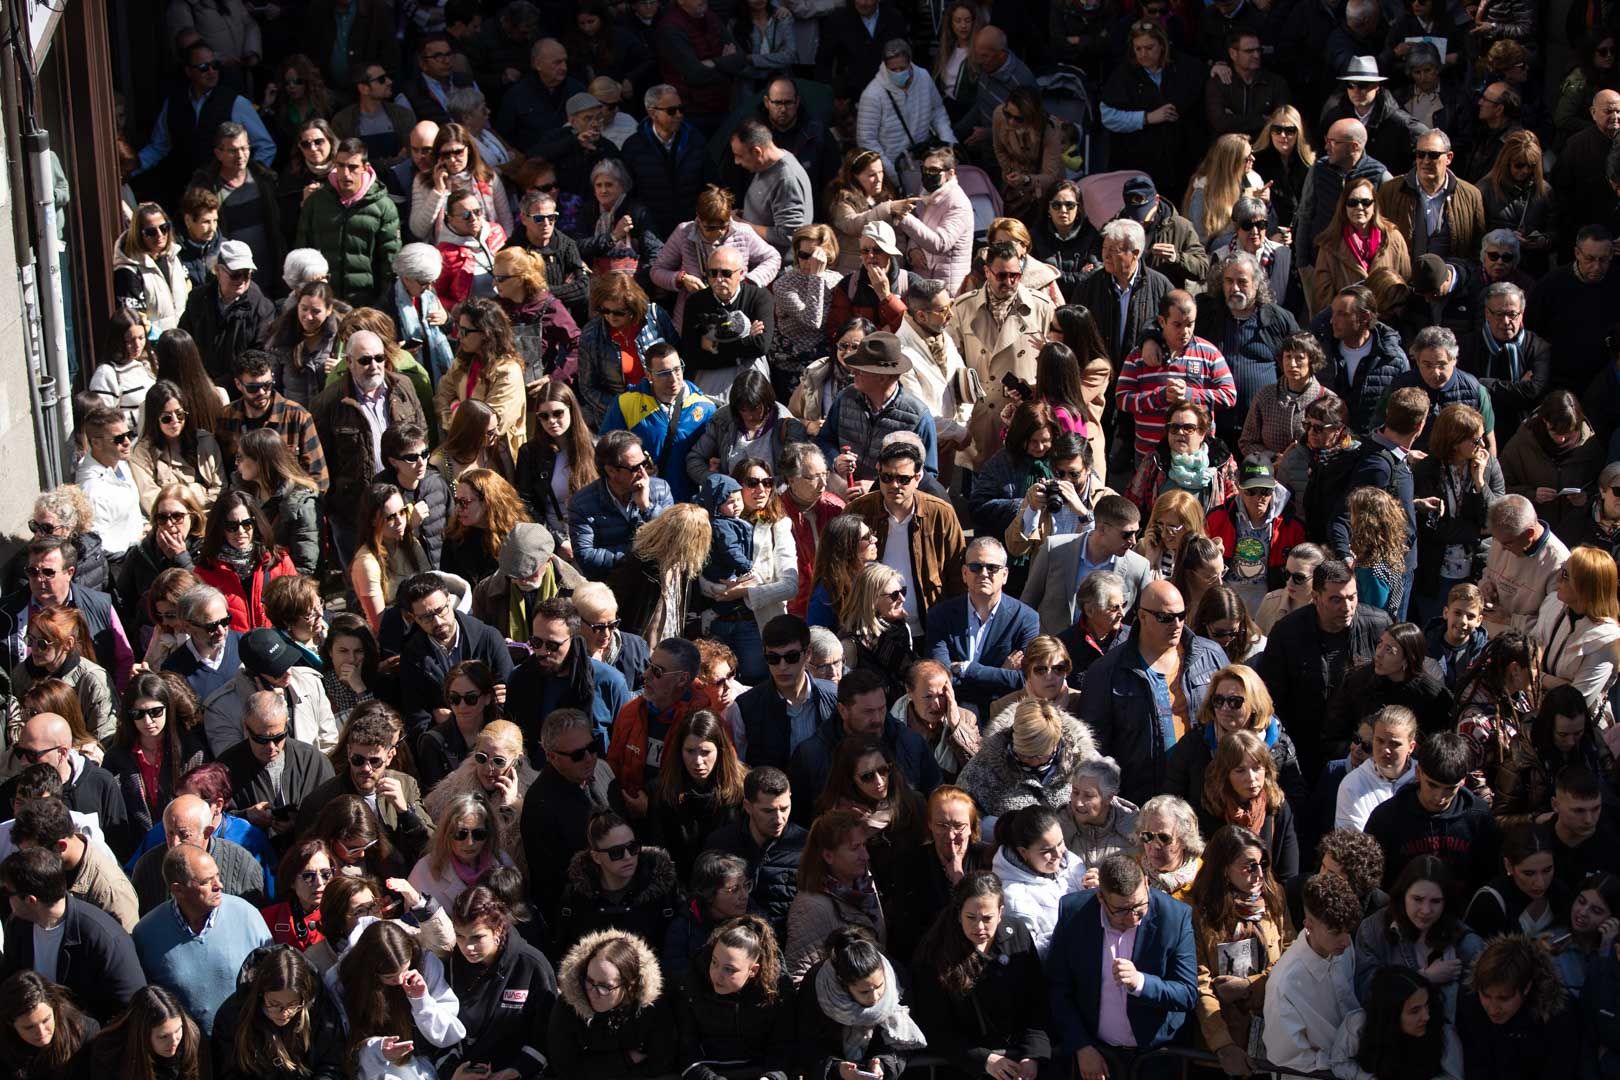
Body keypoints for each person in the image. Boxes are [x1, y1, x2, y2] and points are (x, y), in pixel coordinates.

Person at [1045, 853, 1198, 1080]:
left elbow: (1187, 993)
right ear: (1100, 898)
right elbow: (1057, 987)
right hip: (1097, 1056)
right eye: (1121, 911)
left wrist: (1142, 983)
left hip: (1156, 1058)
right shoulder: (1073, 913)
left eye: (1139, 906)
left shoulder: (1174, 916)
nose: (1133, 918)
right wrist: (1081, 1045)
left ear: (1146, 883)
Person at [1079, 580, 1228, 807]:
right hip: (1140, 802)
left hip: (1206, 798)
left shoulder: (1211, 656)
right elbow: (1094, 751)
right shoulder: (1105, 672)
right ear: (1143, 616)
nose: (1177, 624)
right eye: (1166, 618)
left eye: (1182, 615)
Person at [1257, 560, 1392, 782]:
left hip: (1362, 750)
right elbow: (1270, 697)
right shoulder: (1287, 633)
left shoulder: (1377, 625)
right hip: (1305, 748)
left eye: (1352, 597)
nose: (1347, 607)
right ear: (1316, 598)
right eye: (1336, 599)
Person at [130, 843, 272, 1034]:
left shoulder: (247, 915)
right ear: (178, 890)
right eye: (207, 881)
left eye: (218, 876)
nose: (219, 885)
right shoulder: (147, 933)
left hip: (242, 1046)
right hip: (185, 1051)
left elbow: (272, 978)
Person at [438, 885, 557, 1079]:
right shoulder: (448, 966)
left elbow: (547, 1033)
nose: (468, 946)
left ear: (498, 929)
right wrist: (453, 1073)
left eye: (477, 937)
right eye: (460, 935)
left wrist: (518, 1070)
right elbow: (438, 1029)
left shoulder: (532, 965)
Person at [1365, 732, 1500, 892]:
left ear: (1463, 781)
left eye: (1450, 789)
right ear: (1418, 772)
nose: (1439, 797)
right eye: (1432, 785)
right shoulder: (1386, 818)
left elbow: (1491, 877)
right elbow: (1371, 880)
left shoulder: (1478, 818)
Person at [671, 911, 793, 1080]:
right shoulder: (693, 983)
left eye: (730, 969)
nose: (717, 975)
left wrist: (771, 1077)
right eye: (715, 962)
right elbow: (686, 1050)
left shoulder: (776, 993)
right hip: (705, 1072)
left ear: (753, 970)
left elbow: (782, 1049)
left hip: (758, 1071)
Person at [1261, 872, 1364, 1073]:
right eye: (1335, 933)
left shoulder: (1343, 947)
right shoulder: (1284, 984)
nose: (1345, 940)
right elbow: (1286, 1056)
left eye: (1348, 930)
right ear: (1308, 925)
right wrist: (1340, 1064)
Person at [548, 925, 675, 1080]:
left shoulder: (652, 1006)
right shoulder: (569, 1004)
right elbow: (565, 1067)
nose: (593, 993)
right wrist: (625, 1060)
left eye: (605, 986)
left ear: (629, 985)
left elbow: (660, 1062)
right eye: (589, 981)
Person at [396, 574, 513, 739]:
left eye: (440, 610)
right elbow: (417, 717)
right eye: (426, 617)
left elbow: (510, 699)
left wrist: (457, 719)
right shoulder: (412, 656)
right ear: (414, 618)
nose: (437, 621)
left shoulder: (488, 638)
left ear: (449, 601)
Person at [293, 139, 402, 309]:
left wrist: (381, 304)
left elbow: (390, 263)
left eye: (352, 167)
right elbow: (302, 250)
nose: (345, 174)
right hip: (323, 302)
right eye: (340, 166)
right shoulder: (316, 203)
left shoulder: (383, 207)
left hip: (366, 303)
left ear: (365, 167)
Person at [1456, 933, 1580, 1080]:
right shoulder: (1469, 998)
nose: (1493, 1008)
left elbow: (1559, 1071)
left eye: (1504, 998)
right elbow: (1472, 1060)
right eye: (1486, 996)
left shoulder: (1557, 1014)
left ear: (1526, 987)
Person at [217, 350, 329, 493]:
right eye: (253, 388)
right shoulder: (225, 417)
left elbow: (319, 478)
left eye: (267, 385)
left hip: (287, 505)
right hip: (243, 504)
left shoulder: (297, 416)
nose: (262, 392)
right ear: (238, 385)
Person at [1502, 390, 1605, 544]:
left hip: (1577, 536)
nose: (1562, 439)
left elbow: (1604, 487)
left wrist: (1587, 497)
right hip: (1533, 536)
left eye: (1568, 434)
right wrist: (1531, 494)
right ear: (1545, 421)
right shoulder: (1520, 445)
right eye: (1555, 432)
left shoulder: (1590, 446)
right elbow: (1500, 488)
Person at [12, 606, 117, 743]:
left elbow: (104, 736)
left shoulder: (92, 679)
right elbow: (14, 724)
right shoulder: (22, 673)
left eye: (43, 643)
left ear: (68, 644)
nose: (34, 648)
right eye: (30, 640)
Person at [1479, 494, 1572, 636]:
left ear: (1529, 533)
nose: (1502, 548)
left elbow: (1553, 626)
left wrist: (1510, 619)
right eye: (1496, 540)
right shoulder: (1503, 538)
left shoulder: (1559, 563)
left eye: (1507, 543)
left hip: (1519, 646)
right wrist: (1485, 585)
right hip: (1485, 636)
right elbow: (1489, 572)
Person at [84, 986, 204, 1080]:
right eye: (163, 1036)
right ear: (143, 1035)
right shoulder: (109, 1052)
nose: (174, 1041)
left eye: (178, 1030)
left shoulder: (190, 1036)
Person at [441, 469, 532, 593]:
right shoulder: (454, 538)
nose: (457, 509)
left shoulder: (518, 536)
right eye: (456, 501)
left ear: (488, 501)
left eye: (464, 502)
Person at [0, 969, 100, 1080]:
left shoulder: (83, 1032)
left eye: (46, 1020)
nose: (41, 1032)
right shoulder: (5, 1047)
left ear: (54, 1007)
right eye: (29, 1027)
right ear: (11, 1024)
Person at [115, 203, 192, 337]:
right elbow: (135, 319)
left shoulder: (174, 256)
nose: (160, 235)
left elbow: (189, 292)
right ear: (138, 234)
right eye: (151, 232)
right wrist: (158, 339)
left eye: (164, 228)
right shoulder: (128, 270)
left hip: (183, 342)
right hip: (154, 348)